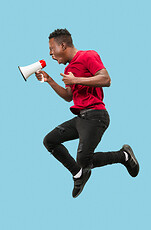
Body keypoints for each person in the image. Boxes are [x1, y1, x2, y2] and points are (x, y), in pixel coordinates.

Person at [35, 28, 139, 198]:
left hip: (96, 116)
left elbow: (106, 79)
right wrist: (50, 80)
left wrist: (75, 79)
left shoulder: (88, 56)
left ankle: (124, 156)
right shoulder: (69, 68)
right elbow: (69, 97)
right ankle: (78, 174)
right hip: (81, 117)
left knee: (84, 161)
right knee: (50, 141)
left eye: (52, 49)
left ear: (63, 45)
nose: (50, 54)